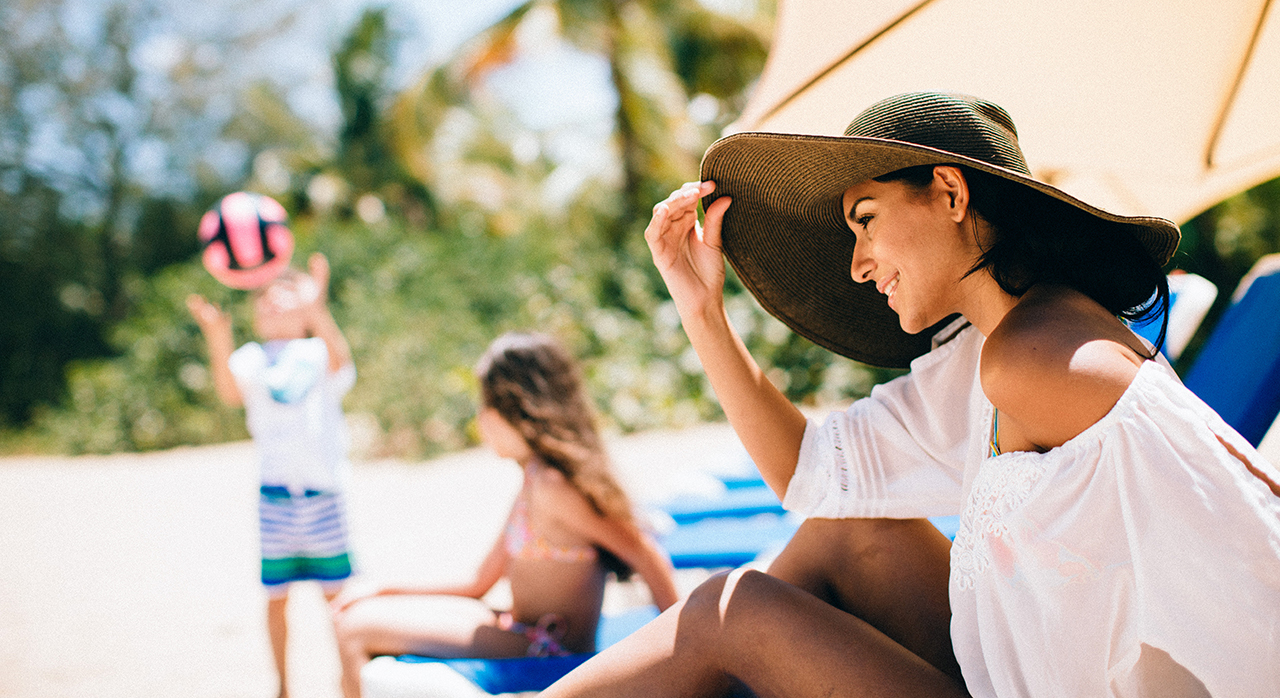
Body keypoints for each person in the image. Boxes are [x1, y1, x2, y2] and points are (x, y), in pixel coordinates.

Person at [541, 92, 1280, 697]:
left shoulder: (1037, 357)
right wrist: (702, 310)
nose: (858, 266)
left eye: (865, 221)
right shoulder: (990, 350)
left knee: (727, 612)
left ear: (950, 193)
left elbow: (1243, 524)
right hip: (1008, 669)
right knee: (849, 527)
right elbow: (810, 472)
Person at [330, 331, 680, 698]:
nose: (480, 419)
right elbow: (478, 582)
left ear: (521, 411)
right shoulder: (534, 478)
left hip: (548, 647)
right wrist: (383, 589)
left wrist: (683, 648)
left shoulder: (554, 486)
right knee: (361, 612)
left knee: (354, 630)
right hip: (517, 627)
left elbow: (644, 552)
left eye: (486, 405)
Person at [187, 252, 356, 698]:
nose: (272, 301)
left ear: (306, 309)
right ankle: (283, 687)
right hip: (275, 497)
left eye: (286, 295)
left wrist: (318, 310)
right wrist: (218, 336)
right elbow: (229, 393)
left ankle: (350, 681)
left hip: (323, 494)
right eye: (265, 297)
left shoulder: (317, 351)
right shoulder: (251, 358)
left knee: (338, 599)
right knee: (276, 597)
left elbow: (342, 363)